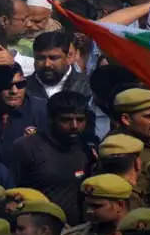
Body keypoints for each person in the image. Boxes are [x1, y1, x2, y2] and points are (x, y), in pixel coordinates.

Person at [10, 92, 95, 224]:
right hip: (40, 230)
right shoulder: (27, 147)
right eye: (66, 120)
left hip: (78, 232)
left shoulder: (87, 149)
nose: (74, 126)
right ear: (51, 119)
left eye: (80, 120)